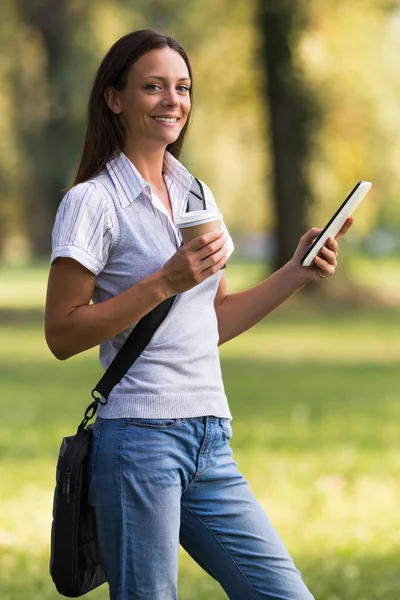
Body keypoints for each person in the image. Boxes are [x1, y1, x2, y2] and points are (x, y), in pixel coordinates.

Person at [45, 29, 352, 600]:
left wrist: (296, 272)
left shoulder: (195, 196)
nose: (173, 100)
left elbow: (210, 322)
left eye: (182, 87)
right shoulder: (92, 201)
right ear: (115, 99)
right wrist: (164, 281)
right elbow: (62, 333)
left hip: (209, 436)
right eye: (153, 86)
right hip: (140, 438)